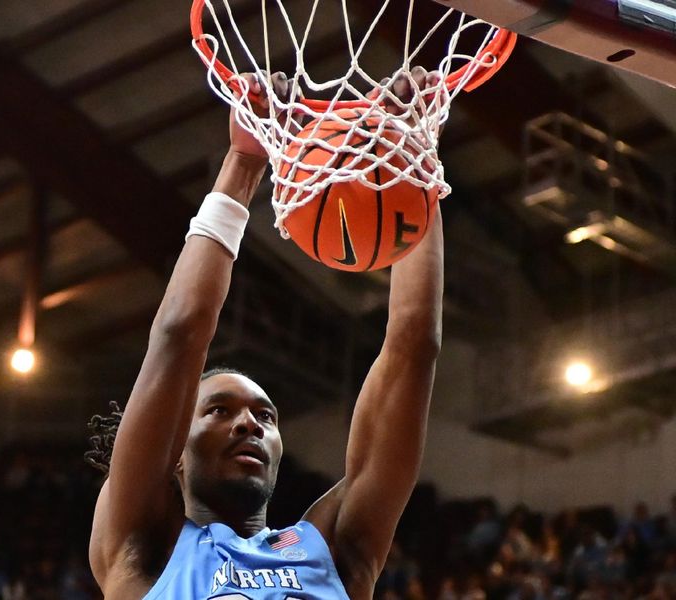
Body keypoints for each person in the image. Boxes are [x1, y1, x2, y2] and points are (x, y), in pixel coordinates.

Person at [84, 67, 444, 599]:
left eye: (266, 416)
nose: (249, 423)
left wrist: (413, 165)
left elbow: (414, 344)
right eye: (218, 410)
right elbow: (180, 334)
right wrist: (244, 163)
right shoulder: (142, 547)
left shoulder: (333, 549)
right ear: (174, 455)